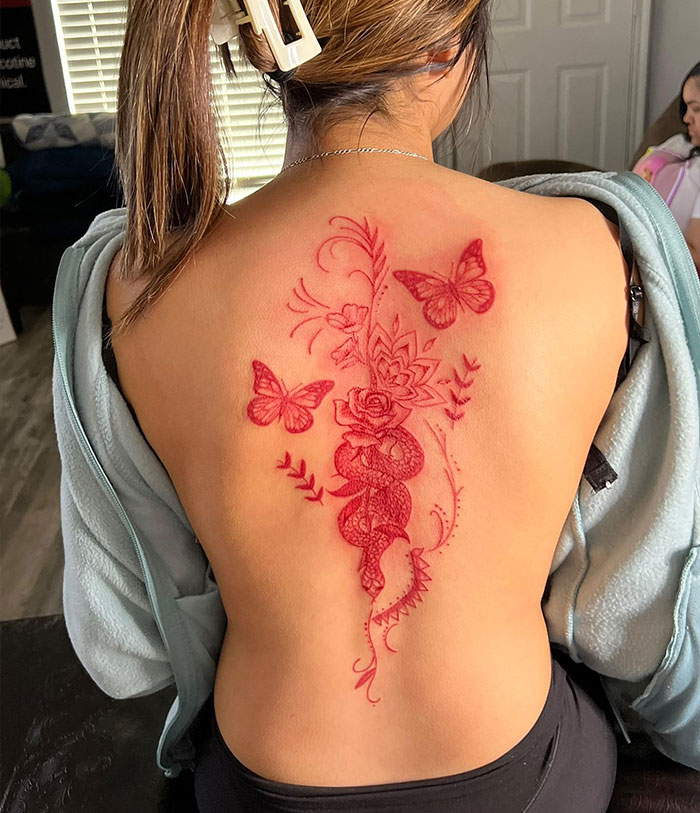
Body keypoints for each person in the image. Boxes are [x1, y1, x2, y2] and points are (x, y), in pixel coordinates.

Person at [99, 1, 635, 810]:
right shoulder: (593, 247)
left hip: (260, 780)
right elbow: (634, 578)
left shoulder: (140, 287)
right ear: (451, 45)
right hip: (524, 773)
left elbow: (132, 638)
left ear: (262, 48)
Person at [633, 61, 700, 273]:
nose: (686, 118)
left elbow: (695, 257)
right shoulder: (679, 145)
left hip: (645, 259)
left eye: (696, 109)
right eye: (686, 108)